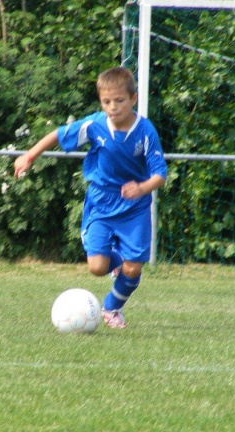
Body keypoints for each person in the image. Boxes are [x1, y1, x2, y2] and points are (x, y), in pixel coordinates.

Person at [14, 66, 167, 328]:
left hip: (134, 206)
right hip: (101, 202)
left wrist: (141, 188)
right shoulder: (95, 125)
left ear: (133, 99)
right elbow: (58, 134)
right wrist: (29, 155)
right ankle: (115, 264)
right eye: (106, 101)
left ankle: (111, 308)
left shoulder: (145, 131)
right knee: (97, 267)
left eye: (119, 100)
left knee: (134, 270)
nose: (113, 107)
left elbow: (160, 174)